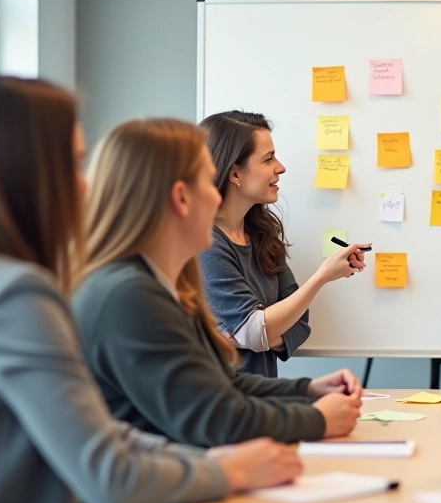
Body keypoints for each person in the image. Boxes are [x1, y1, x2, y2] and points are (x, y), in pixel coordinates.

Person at [0, 77, 302, 503]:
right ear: (28, 174)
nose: (86, 188)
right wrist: (231, 470)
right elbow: (109, 474)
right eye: (75, 165)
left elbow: (101, 434)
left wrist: (212, 459)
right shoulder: (12, 296)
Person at [73, 117, 362, 447]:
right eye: (209, 183)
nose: (216, 199)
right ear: (181, 197)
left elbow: (222, 384)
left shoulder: (162, 282)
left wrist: (307, 390)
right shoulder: (129, 294)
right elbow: (212, 415)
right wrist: (318, 419)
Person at [199, 111, 369, 376]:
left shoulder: (260, 234)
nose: (280, 167)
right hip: (223, 408)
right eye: (268, 159)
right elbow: (253, 331)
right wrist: (322, 276)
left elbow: (299, 323)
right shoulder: (206, 244)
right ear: (235, 173)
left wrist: (261, 336)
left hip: (261, 403)